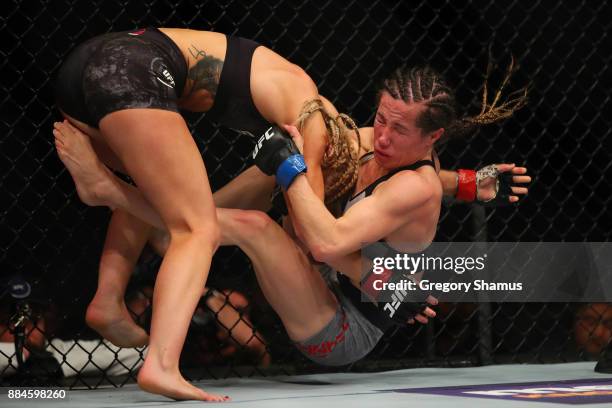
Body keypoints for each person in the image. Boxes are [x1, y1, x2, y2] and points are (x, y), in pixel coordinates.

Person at [55, 55, 529, 376]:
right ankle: (172, 219)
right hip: (325, 277)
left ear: (432, 138)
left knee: (266, 213)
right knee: (276, 172)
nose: (380, 136)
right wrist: (468, 183)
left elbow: (323, 244)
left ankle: (115, 194)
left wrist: (290, 163)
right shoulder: (386, 149)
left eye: (398, 129)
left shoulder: (415, 185)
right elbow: (333, 229)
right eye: (380, 118)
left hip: (343, 328)